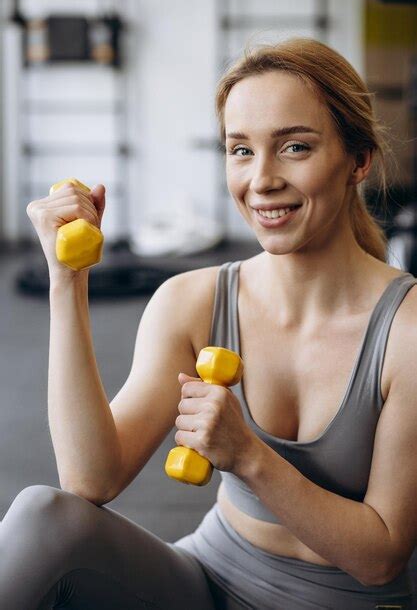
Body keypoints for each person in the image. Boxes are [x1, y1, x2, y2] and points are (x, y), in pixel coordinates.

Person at [1, 37, 416, 610]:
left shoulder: (406, 333)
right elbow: (91, 480)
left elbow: (381, 558)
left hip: (343, 601)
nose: (262, 179)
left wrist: (249, 456)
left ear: (359, 160)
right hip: (207, 579)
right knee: (41, 516)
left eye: (294, 147)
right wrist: (66, 281)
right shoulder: (193, 300)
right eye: (241, 150)